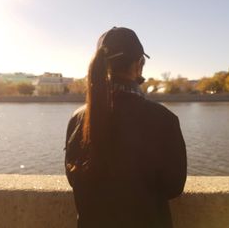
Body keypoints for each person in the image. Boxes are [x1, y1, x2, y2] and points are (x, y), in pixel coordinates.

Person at [64, 27, 187, 228]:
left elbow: (73, 179)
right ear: (139, 65)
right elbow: (174, 187)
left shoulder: (78, 119)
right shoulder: (164, 119)